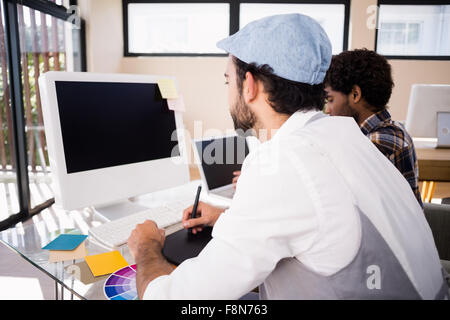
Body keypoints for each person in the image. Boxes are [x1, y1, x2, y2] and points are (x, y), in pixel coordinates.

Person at [128, 14, 448, 300]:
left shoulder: (282, 163)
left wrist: (146, 247)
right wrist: (223, 219)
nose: (228, 90)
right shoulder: (346, 136)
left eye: (228, 80)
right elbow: (316, 225)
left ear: (249, 85)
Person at [323, 49, 423, 207]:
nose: (328, 110)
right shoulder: (393, 129)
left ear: (355, 94)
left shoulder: (377, 143)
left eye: (330, 100)